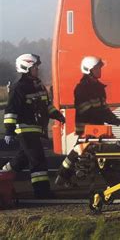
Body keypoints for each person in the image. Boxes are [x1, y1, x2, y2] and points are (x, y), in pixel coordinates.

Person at [55, 56, 120, 187]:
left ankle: (63, 176)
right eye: (97, 68)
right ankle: (68, 176)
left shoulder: (98, 87)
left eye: (99, 68)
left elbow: (103, 108)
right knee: (82, 150)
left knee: (80, 150)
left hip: (96, 126)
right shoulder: (82, 88)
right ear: (89, 70)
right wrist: (105, 117)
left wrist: (115, 120)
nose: (100, 70)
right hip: (87, 126)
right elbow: (86, 109)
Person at [2, 54, 65, 198]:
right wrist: (9, 130)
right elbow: (11, 110)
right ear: (26, 68)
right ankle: (41, 191)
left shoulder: (38, 85)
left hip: (36, 129)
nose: (37, 69)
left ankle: (3, 175)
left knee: (22, 159)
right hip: (25, 129)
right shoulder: (19, 87)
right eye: (35, 67)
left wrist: (57, 115)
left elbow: (46, 105)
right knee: (38, 160)